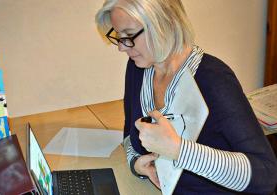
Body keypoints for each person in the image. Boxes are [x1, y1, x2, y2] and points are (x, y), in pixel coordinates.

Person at [95, 0, 277, 194]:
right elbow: (130, 135)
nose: (122, 48)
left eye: (129, 36)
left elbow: (265, 175)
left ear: (165, 24)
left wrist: (178, 150)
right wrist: (136, 164)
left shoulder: (213, 79)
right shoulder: (138, 68)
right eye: (118, 36)